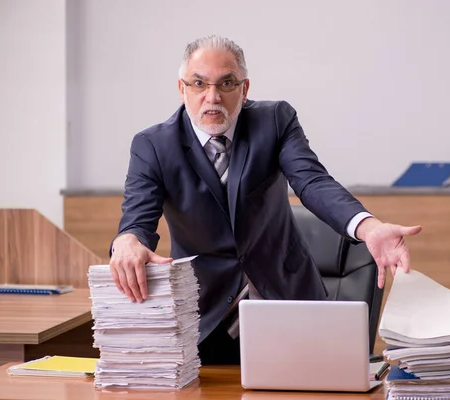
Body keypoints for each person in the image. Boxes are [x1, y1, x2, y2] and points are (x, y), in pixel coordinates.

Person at [109, 35, 422, 364]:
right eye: (199, 83)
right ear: (181, 88)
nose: (212, 97)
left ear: (244, 90)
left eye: (226, 83)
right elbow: (137, 218)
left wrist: (369, 228)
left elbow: (312, 181)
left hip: (292, 304)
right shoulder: (153, 146)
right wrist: (127, 240)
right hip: (206, 319)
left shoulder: (274, 121)